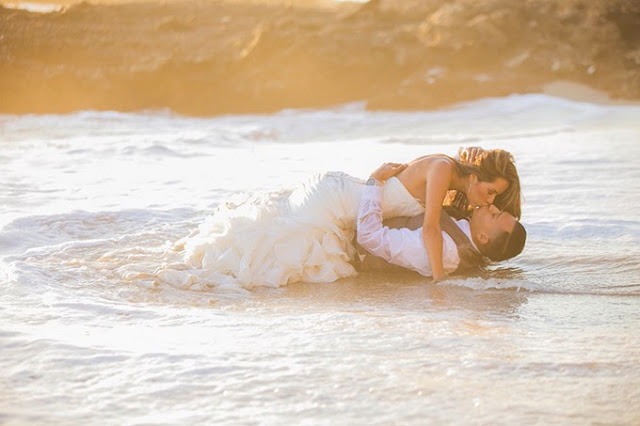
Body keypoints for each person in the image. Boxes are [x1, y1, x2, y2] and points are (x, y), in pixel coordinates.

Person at [157, 147, 522, 289]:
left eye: (493, 200)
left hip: (350, 199)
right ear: (474, 177)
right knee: (278, 252)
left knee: (285, 249)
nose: (486, 202)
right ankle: (199, 271)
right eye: (490, 193)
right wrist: (441, 280)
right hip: (336, 198)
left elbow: (475, 229)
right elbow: (428, 228)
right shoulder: (443, 168)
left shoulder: (452, 177)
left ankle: (195, 268)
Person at [355, 162, 526, 278]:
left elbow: (369, 237)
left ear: (482, 237)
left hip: (349, 247)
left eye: (495, 215)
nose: (492, 206)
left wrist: (375, 181)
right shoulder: (467, 232)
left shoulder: (446, 251)